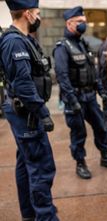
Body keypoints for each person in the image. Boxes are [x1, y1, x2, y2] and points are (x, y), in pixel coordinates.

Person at [0, 0, 58, 220]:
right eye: (37, 13)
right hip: (27, 114)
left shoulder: (23, 39)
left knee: (26, 163)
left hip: (26, 112)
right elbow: (23, 84)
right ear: (27, 14)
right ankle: (45, 215)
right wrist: (43, 113)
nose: (39, 16)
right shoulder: (14, 42)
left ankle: (30, 213)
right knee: (41, 168)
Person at [53, 6, 107, 180]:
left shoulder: (83, 43)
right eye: (80, 22)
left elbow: (93, 71)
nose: (84, 24)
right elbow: (62, 76)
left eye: (84, 21)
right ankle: (80, 163)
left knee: (101, 127)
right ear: (69, 23)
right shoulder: (62, 47)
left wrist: (101, 90)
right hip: (74, 98)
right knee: (78, 133)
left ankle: (105, 156)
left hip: (90, 97)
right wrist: (71, 100)